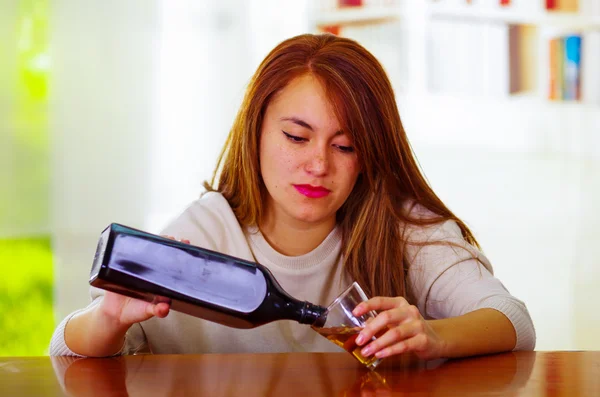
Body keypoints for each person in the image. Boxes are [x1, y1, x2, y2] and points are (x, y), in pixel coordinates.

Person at [49, 33, 535, 360]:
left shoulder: (404, 228)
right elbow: (65, 353)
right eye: (297, 138)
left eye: (345, 146)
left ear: (369, 154)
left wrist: (432, 335)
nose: (318, 164)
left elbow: (513, 319)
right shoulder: (207, 233)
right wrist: (109, 319)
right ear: (256, 131)